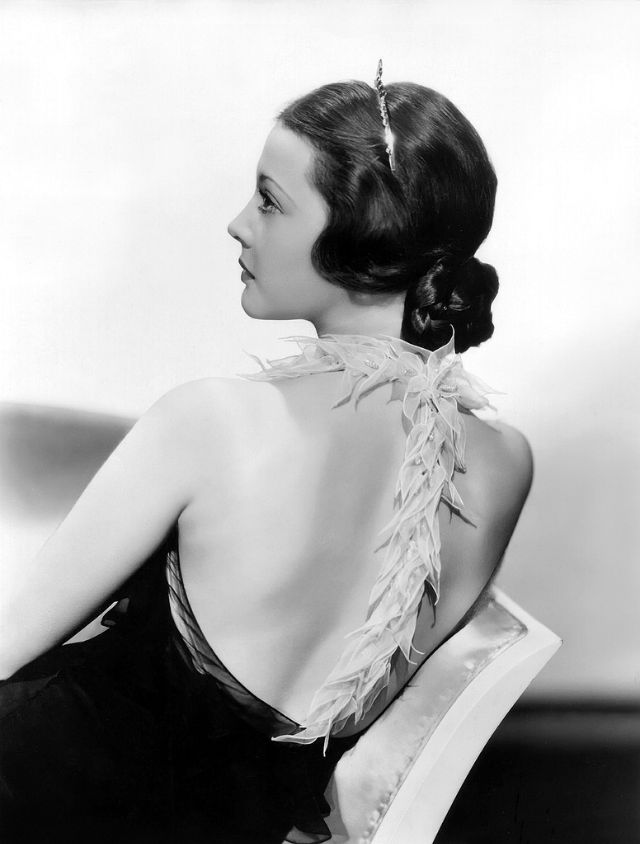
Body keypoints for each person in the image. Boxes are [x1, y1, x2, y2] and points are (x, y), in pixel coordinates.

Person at [0, 65, 533, 844]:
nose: (238, 224)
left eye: (270, 201)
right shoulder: (505, 463)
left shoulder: (212, 420)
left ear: (360, 236)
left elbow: (8, 645)